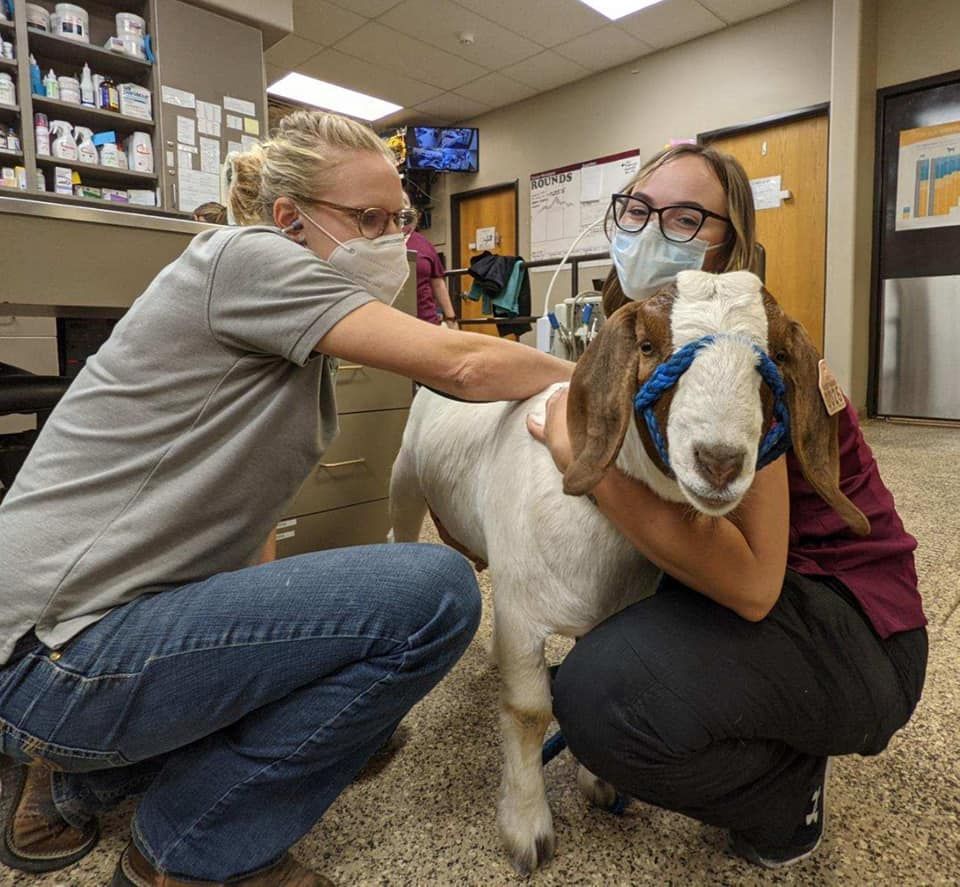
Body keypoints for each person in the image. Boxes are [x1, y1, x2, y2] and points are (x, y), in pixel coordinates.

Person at [0, 110, 571, 886]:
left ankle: (77, 780)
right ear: (287, 218)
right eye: (367, 219)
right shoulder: (245, 258)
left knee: (350, 705)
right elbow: (461, 366)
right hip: (50, 654)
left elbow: (252, 525)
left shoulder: (286, 346)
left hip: (72, 641)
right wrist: (598, 378)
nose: (390, 241)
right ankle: (186, 849)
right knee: (436, 594)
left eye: (399, 218)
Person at [527, 143, 927, 869]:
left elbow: (750, 586)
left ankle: (783, 790)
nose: (651, 232)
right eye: (639, 210)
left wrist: (572, 457)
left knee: (600, 696)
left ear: (729, 248)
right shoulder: (657, 329)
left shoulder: (740, 357)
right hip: (802, 610)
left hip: (857, 630)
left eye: (686, 219)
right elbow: (559, 371)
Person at [403, 194, 458, 328]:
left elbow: (438, 283)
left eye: (404, 203)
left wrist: (451, 319)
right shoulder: (375, 243)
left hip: (426, 322)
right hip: (392, 323)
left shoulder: (423, 244)